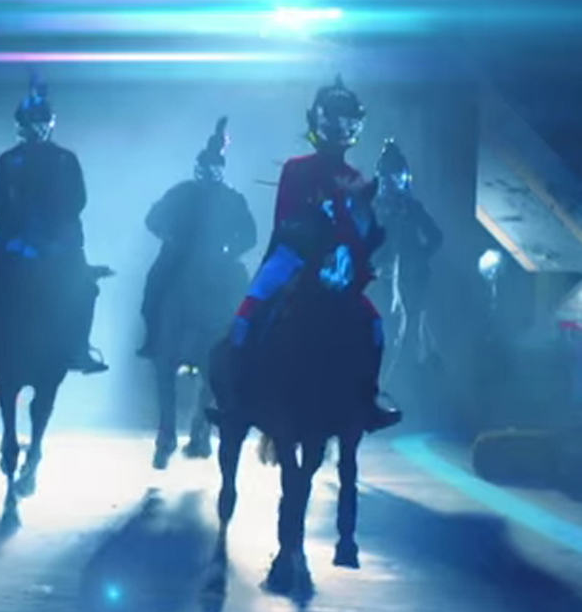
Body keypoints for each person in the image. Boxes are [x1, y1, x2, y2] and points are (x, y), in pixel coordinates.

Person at [230, 76, 402, 433]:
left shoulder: (356, 178)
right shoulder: (296, 168)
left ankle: (368, 398)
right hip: (293, 257)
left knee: (374, 324)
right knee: (246, 315)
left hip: (337, 266)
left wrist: (367, 235)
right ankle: (234, 397)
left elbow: (361, 229)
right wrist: (318, 230)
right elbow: (286, 219)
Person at [0, 74, 107, 374]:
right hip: (15, 238)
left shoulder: (66, 160)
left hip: (60, 241)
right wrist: (18, 231)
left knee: (86, 290)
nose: (35, 128)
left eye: (40, 122)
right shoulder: (8, 160)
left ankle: (80, 349)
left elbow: (77, 200)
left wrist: (51, 232)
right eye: (30, 122)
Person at [137, 116, 257, 359]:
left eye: (214, 169)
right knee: (153, 288)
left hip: (217, 258)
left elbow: (250, 235)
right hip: (178, 255)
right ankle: (152, 339)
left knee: (244, 293)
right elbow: (152, 219)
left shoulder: (232, 198)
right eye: (205, 168)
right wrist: (168, 235)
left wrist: (230, 250)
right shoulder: (181, 192)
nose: (209, 173)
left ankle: (243, 343)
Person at [372, 139, 443, 370]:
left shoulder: (412, 208)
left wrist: (418, 258)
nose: (392, 183)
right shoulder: (375, 208)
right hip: (381, 280)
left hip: (409, 279)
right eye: (388, 178)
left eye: (396, 177)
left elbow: (435, 236)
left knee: (411, 330)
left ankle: (409, 373)